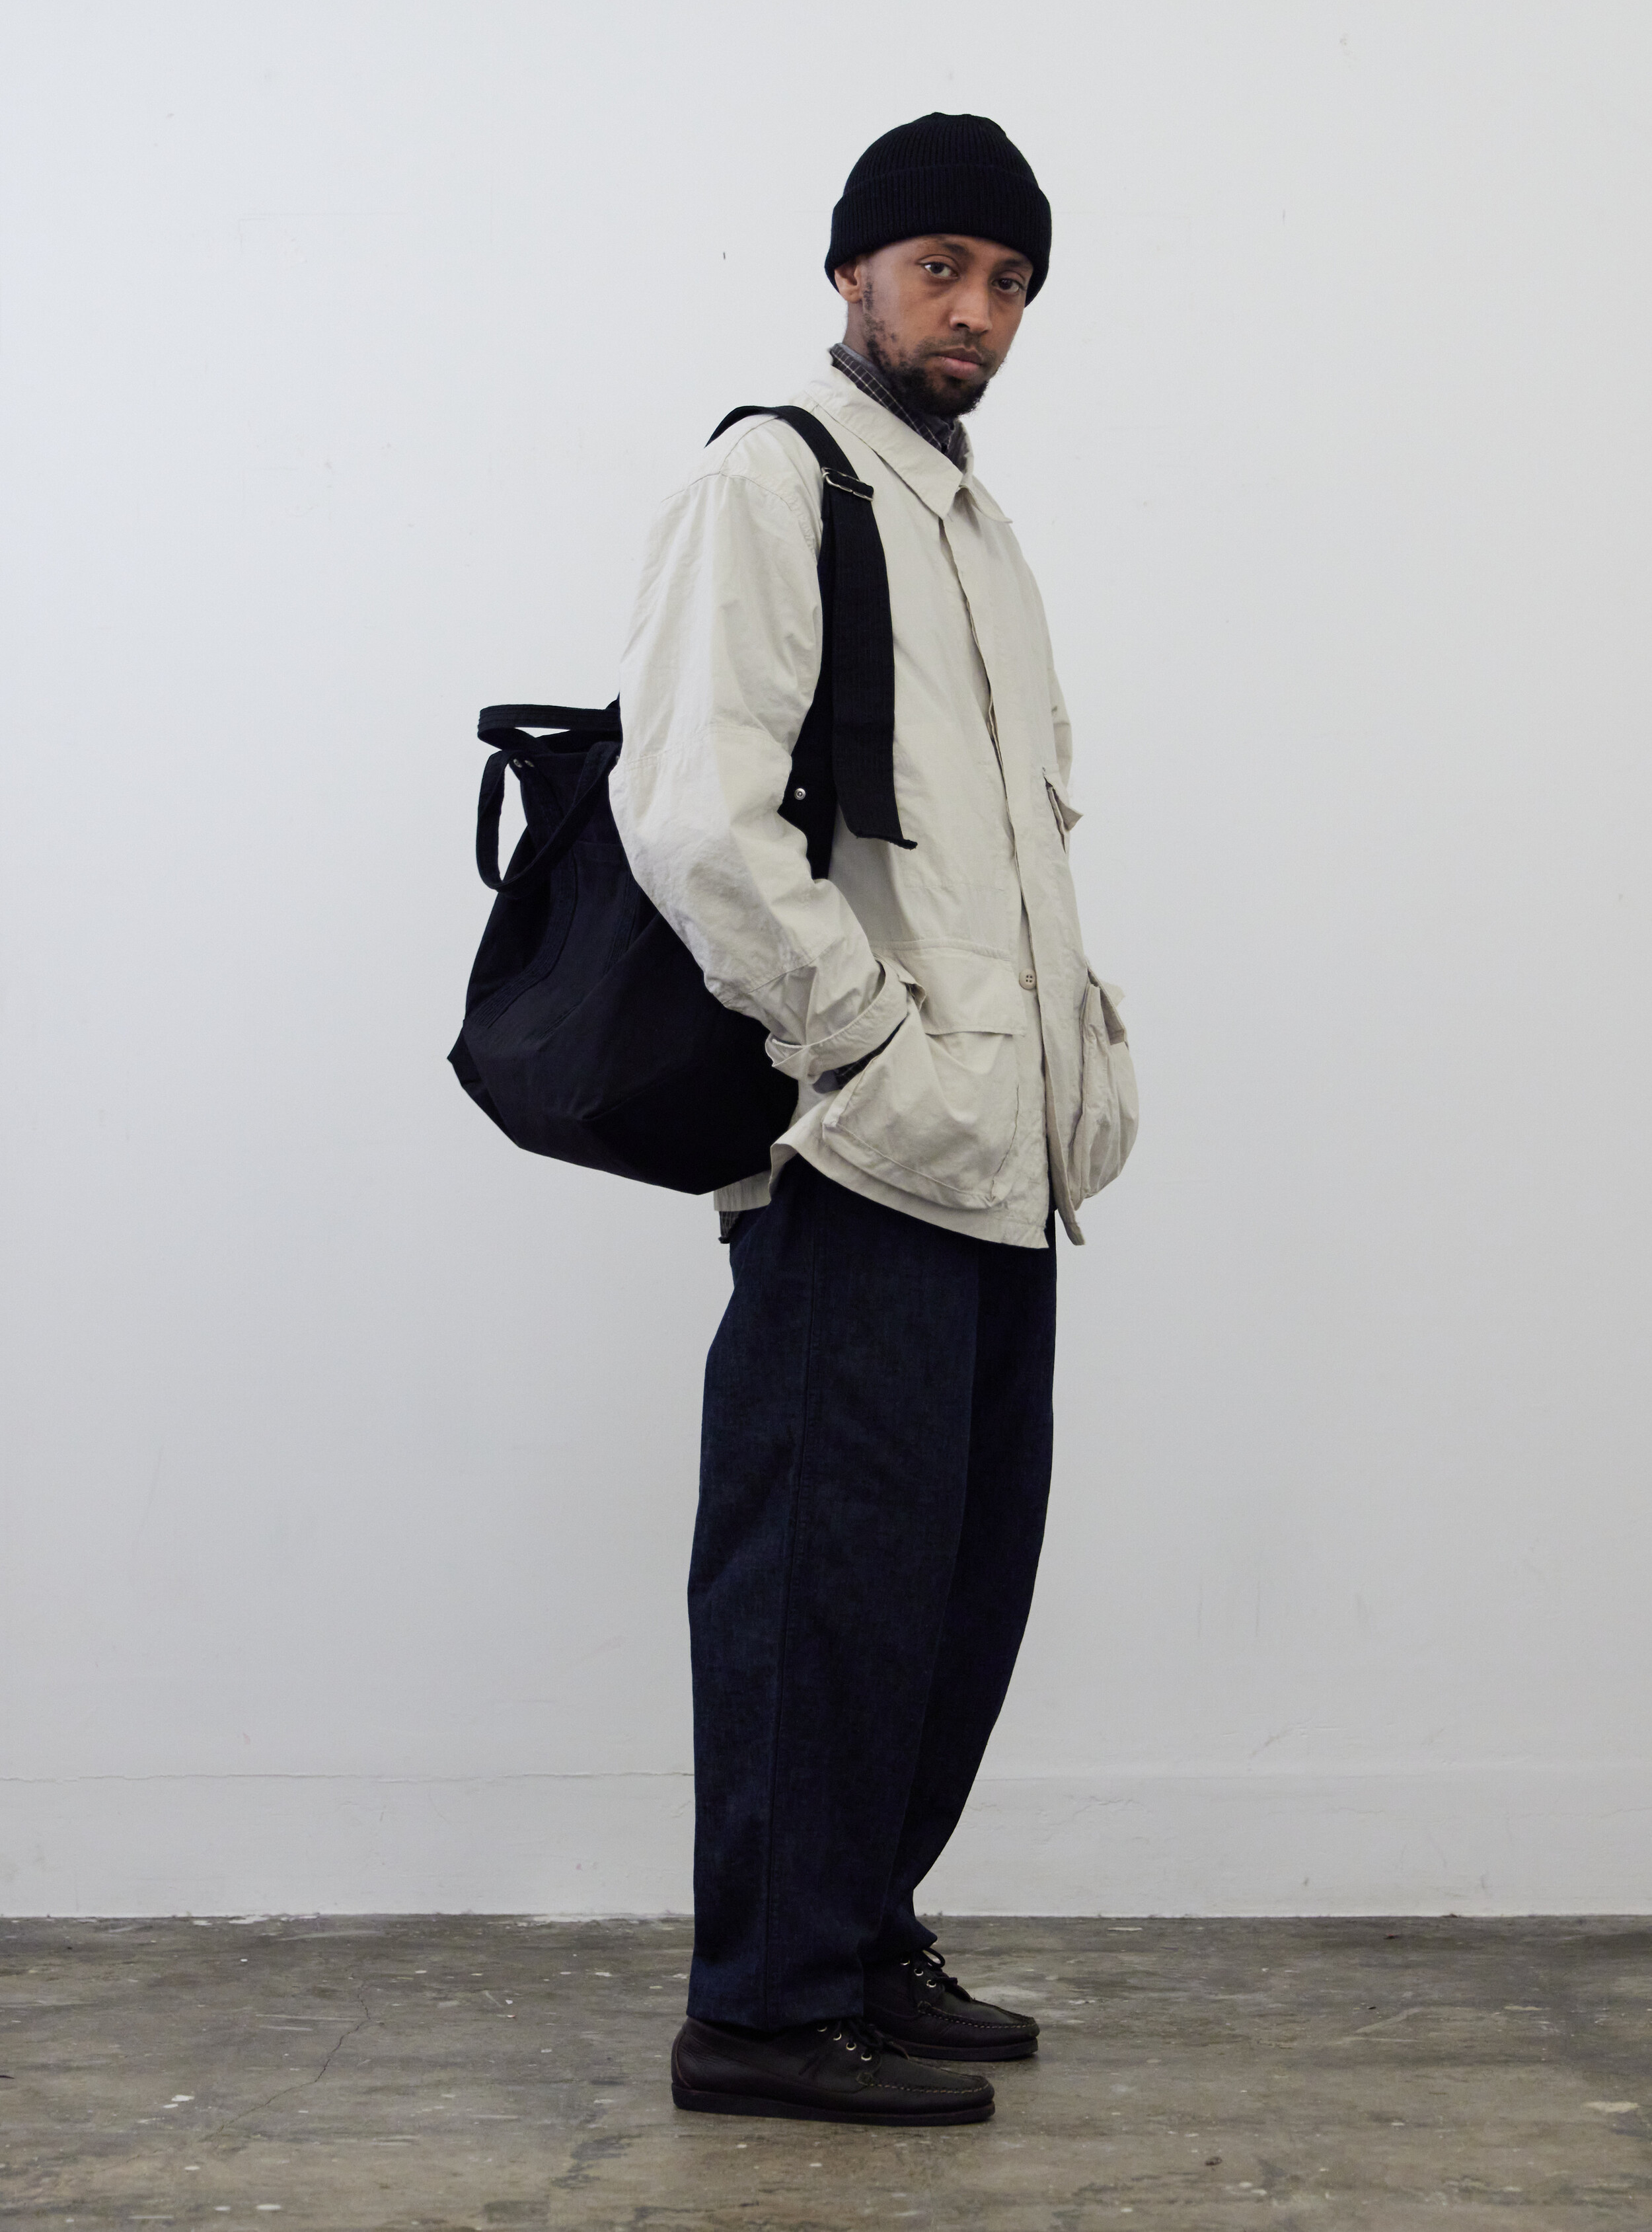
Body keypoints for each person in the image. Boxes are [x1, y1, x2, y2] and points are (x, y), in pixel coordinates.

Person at [610, 113, 1137, 2128]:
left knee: (952, 1582)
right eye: (939, 267)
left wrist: (1071, 1061)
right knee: (817, 1581)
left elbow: (1002, 846)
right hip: (862, 1148)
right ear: (851, 271)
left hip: (999, 1152)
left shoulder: (973, 521)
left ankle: (855, 1932)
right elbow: (694, 814)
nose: (974, 310)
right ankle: (760, 2004)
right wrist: (859, 1049)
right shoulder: (774, 479)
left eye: (1007, 281)